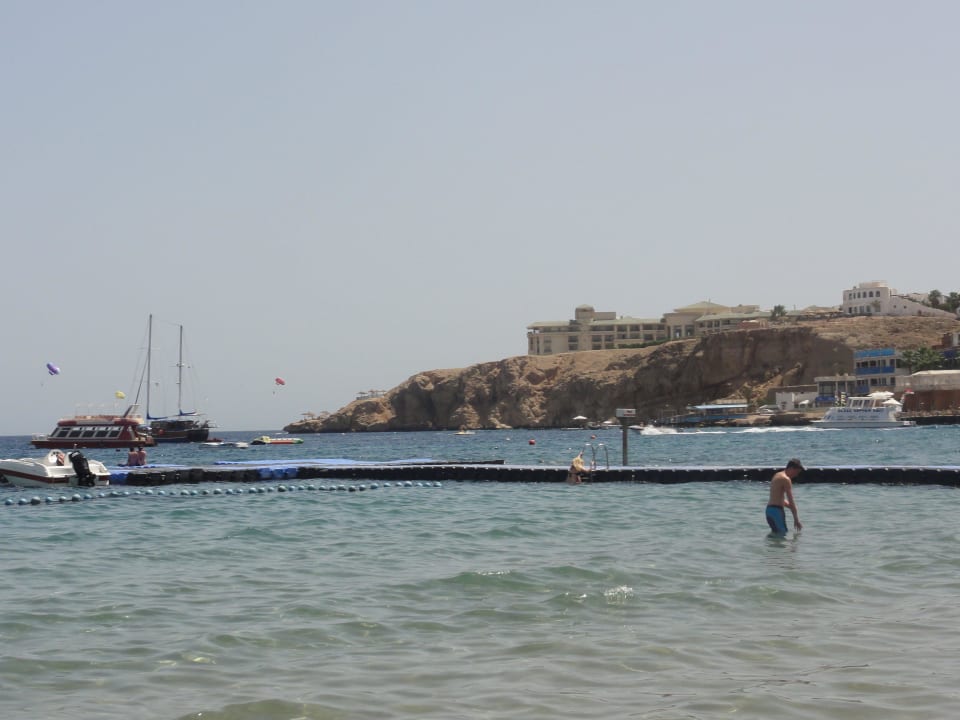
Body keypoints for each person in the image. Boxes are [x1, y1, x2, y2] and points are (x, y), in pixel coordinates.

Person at [766, 458, 804, 535]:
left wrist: (790, 507)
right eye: (796, 472)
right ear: (791, 468)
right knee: (782, 535)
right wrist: (796, 519)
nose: (796, 475)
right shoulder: (786, 479)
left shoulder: (777, 475)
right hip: (777, 511)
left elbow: (779, 498)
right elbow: (791, 500)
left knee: (775, 535)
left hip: (769, 511)